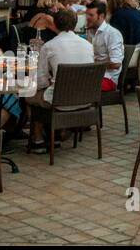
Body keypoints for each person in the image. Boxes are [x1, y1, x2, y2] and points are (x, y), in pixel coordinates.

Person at [27, 8, 96, 151]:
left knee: (28, 95)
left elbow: (40, 81)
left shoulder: (50, 46)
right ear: (75, 24)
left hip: (60, 102)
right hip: (86, 99)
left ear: (55, 24)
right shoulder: (88, 46)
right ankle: (59, 131)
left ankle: (38, 138)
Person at [86, 1, 124, 92]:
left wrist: (93, 64)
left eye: (91, 15)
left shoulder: (112, 33)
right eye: (87, 15)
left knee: (77, 84)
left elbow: (116, 64)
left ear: (101, 16)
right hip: (91, 73)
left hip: (107, 78)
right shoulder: (90, 31)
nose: (87, 18)